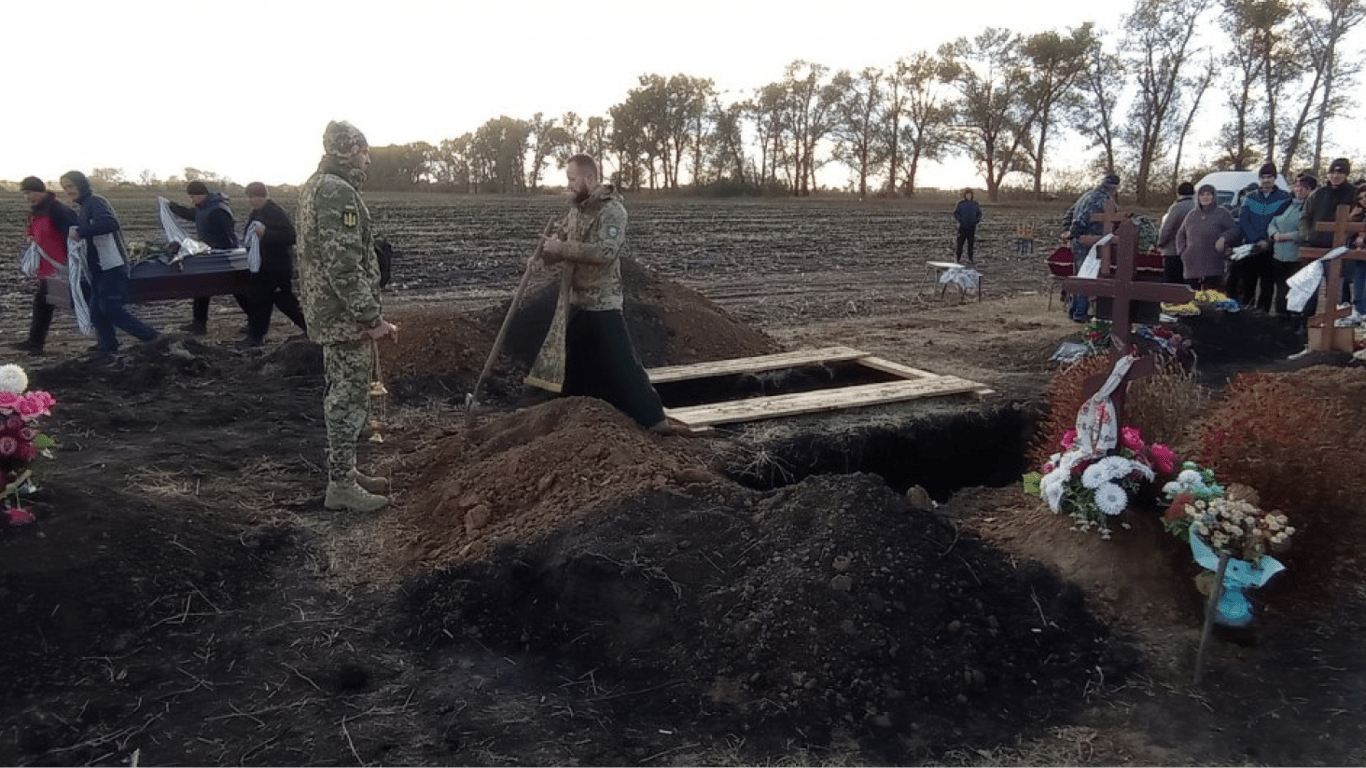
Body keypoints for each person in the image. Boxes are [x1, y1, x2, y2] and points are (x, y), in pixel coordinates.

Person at [526, 153, 669, 433]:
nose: (568, 184)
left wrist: (562, 249)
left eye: (572, 178)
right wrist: (543, 258)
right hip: (577, 300)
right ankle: (558, 419)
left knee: (624, 363)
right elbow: (561, 244)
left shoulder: (612, 211)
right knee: (567, 364)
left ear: (589, 178)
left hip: (603, 302)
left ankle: (655, 421)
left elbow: (606, 252)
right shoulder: (577, 209)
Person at [296, 121, 396, 514]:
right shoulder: (337, 193)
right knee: (347, 402)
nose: (368, 159)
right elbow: (344, 267)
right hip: (344, 318)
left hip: (330, 315)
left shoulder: (315, 187)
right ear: (347, 152)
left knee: (341, 395)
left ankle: (347, 473)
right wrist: (371, 318)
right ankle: (341, 486)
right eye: (363, 151)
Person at [59, 170, 161, 353]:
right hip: (98, 268)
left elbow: (109, 224)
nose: (68, 191)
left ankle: (152, 337)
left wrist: (81, 232)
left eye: (70, 186)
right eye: (65, 188)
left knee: (110, 308)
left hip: (112, 266)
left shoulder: (96, 202)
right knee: (96, 312)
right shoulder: (84, 207)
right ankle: (107, 346)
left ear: (81, 185)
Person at [167, 180, 241, 336]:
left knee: (238, 290)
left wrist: (218, 250)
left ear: (202, 195)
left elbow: (227, 236)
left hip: (223, 257)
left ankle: (256, 322)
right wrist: (172, 207)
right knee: (201, 288)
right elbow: (192, 214)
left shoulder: (218, 211)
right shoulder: (204, 208)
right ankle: (199, 324)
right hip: (209, 255)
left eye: (193, 196)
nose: (191, 200)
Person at [15, 177, 76, 355]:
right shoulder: (36, 210)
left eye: (28, 193)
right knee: (43, 302)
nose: (27, 197)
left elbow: (73, 236)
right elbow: (32, 230)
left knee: (56, 302)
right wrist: (30, 237)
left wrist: (69, 264)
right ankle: (35, 342)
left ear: (39, 191)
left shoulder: (58, 210)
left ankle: (35, 343)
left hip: (61, 266)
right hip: (47, 266)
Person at [242, 182, 307, 346]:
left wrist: (266, 234)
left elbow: (291, 236)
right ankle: (255, 337)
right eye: (249, 197)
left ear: (262, 196)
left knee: (286, 303)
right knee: (259, 302)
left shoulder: (275, 212)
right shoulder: (256, 213)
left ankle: (311, 328)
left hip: (277, 267)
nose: (251, 200)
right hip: (262, 267)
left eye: (254, 196)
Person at [1298, 158, 1359, 324]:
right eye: (1333, 172)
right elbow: (1305, 217)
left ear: (1346, 174)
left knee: (1337, 292)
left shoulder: (1354, 194)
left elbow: (1358, 217)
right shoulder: (1317, 194)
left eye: (1340, 172)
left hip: (1339, 250)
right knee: (1310, 290)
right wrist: (1308, 235)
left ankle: (1338, 325)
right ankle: (1306, 325)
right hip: (1315, 248)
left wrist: (1350, 237)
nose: (1335, 175)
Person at [1059, 173, 1120, 322]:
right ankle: (1080, 313)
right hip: (1090, 241)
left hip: (1080, 240)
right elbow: (1081, 219)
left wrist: (1070, 233)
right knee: (1088, 276)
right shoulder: (1102, 199)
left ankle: (1074, 310)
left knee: (1081, 275)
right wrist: (1075, 233)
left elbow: (1069, 215)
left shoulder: (1087, 195)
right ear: (1114, 187)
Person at [1230, 162, 1291, 311]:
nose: (1266, 180)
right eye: (1263, 177)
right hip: (1251, 246)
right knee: (1248, 282)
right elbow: (1244, 220)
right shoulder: (1250, 197)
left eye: (1269, 177)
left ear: (1274, 178)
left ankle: (1262, 313)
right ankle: (1246, 310)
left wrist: (1267, 240)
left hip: (1272, 248)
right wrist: (1255, 240)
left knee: (1267, 283)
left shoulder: (1284, 197)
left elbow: (1282, 221)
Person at [1266, 173, 1315, 318]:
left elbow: (1306, 232)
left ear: (1311, 190)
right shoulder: (1286, 204)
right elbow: (1272, 222)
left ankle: (1295, 323)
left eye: (1304, 188)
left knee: (1294, 291)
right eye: (1297, 186)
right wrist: (1274, 234)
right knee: (1281, 290)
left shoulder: (1310, 208)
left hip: (1297, 257)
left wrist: (1285, 237)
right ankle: (1280, 320)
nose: (1299, 190)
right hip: (1278, 255)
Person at [1175, 183, 1240, 290]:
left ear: (1213, 196)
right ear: (1198, 197)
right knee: (1192, 297)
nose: (1205, 197)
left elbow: (1234, 230)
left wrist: (1223, 238)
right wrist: (1182, 252)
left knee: (1211, 298)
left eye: (1208, 194)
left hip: (1213, 264)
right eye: (1202, 195)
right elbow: (1180, 234)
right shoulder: (1191, 215)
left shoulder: (1222, 213)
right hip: (1192, 264)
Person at [1156, 181, 1197, 283]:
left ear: (1178, 193)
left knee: (1173, 284)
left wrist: (1160, 243)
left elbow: (1167, 229)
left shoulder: (1177, 208)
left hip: (1174, 251)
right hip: (1194, 252)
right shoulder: (1198, 207)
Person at [952, 188, 982, 264]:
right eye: (967, 194)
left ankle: (970, 259)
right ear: (965, 195)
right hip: (962, 227)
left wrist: (975, 221)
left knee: (970, 244)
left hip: (972, 227)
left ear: (972, 195)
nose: (968, 196)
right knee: (960, 243)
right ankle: (958, 259)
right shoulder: (960, 203)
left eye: (970, 194)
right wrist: (960, 220)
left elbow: (979, 214)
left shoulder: (975, 204)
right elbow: (955, 213)